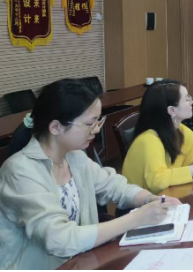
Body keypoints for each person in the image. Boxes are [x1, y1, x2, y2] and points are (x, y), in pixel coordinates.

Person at [0, 79, 180, 270]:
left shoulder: (74, 156)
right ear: (56, 127)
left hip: (81, 261)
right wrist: (136, 219)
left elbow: (116, 187)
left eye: (98, 121)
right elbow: (59, 239)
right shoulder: (20, 172)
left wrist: (151, 199)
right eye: (89, 123)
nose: (96, 129)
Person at [122, 81, 193, 195]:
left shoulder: (179, 129)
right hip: (142, 202)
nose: (192, 102)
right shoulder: (149, 139)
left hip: (167, 196)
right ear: (172, 110)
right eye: (186, 99)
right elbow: (158, 182)